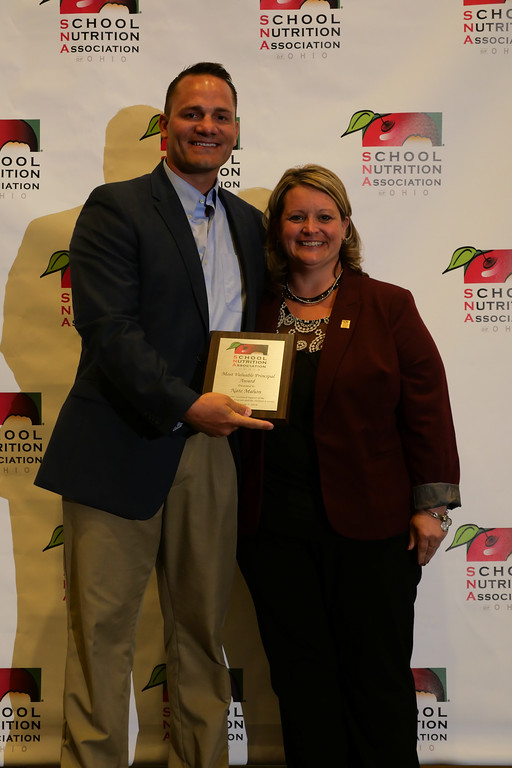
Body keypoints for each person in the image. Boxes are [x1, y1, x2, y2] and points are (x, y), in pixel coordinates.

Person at [35, 62, 273, 768]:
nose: (207, 126)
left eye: (221, 115)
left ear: (236, 131)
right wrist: (185, 402)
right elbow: (108, 330)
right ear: (166, 126)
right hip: (120, 444)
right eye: (193, 113)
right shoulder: (115, 206)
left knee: (202, 632)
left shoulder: (250, 223)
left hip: (214, 452)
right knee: (102, 636)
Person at [237, 164, 460, 768]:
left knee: (377, 679)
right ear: (278, 228)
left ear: (345, 226)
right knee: (300, 681)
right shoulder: (249, 309)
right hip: (273, 530)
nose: (311, 228)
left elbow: (427, 407)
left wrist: (431, 505)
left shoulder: (387, 305)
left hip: (374, 529)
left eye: (324, 216)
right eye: (297, 216)